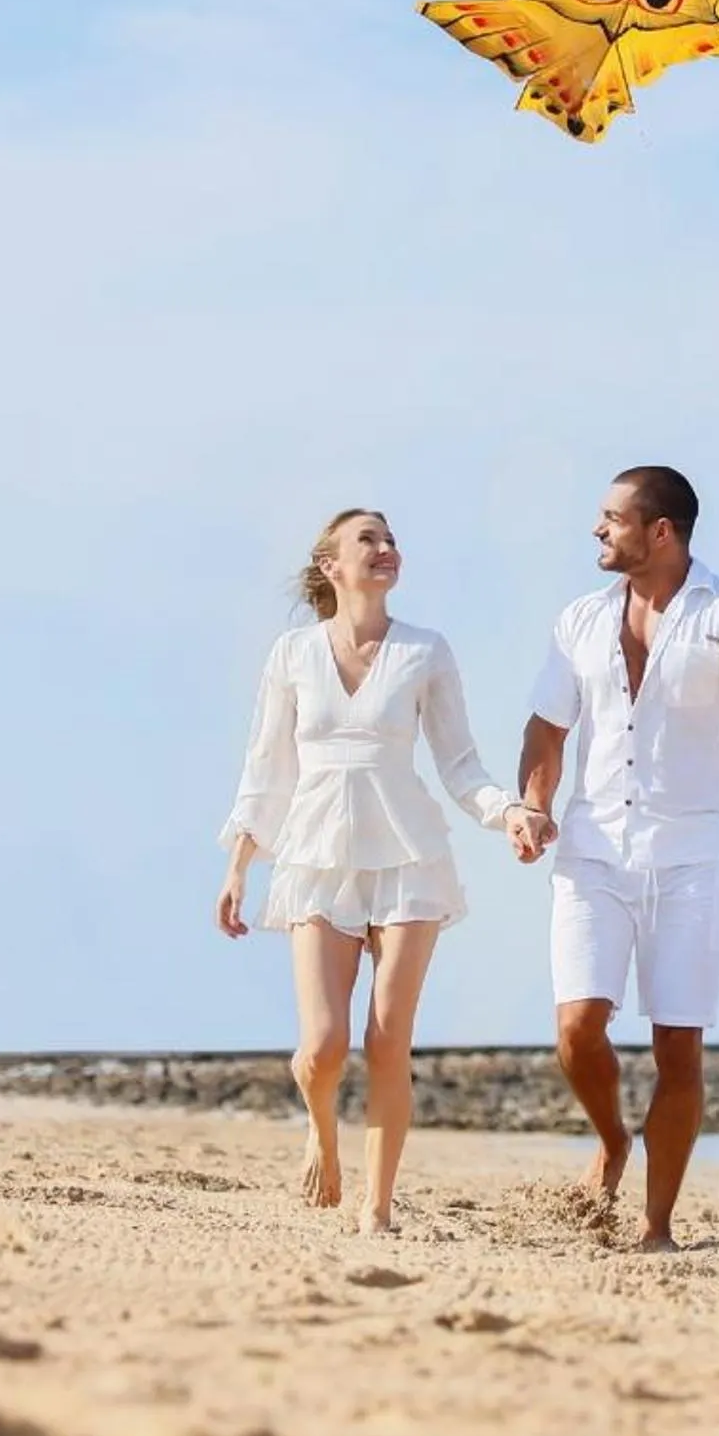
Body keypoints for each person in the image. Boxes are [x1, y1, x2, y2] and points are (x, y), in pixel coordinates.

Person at [503, 465, 719, 1251]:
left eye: (612, 518)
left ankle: (656, 1227)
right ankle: (612, 1140)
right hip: (593, 848)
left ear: (661, 532)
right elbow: (547, 729)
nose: (598, 531)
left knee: (679, 1044)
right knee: (577, 1030)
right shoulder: (578, 619)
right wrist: (534, 805)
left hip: (693, 857)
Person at [214, 507, 514, 1234]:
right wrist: (239, 867)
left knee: (387, 1038)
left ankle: (376, 1210)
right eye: (367, 541)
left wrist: (509, 814)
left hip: (410, 855)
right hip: (317, 857)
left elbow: (459, 762)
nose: (385, 549)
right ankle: (321, 1133)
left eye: (389, 539)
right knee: (321, 1051)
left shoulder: (425, 651)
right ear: (331, 566)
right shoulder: (292, 654)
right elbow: (267, 769)